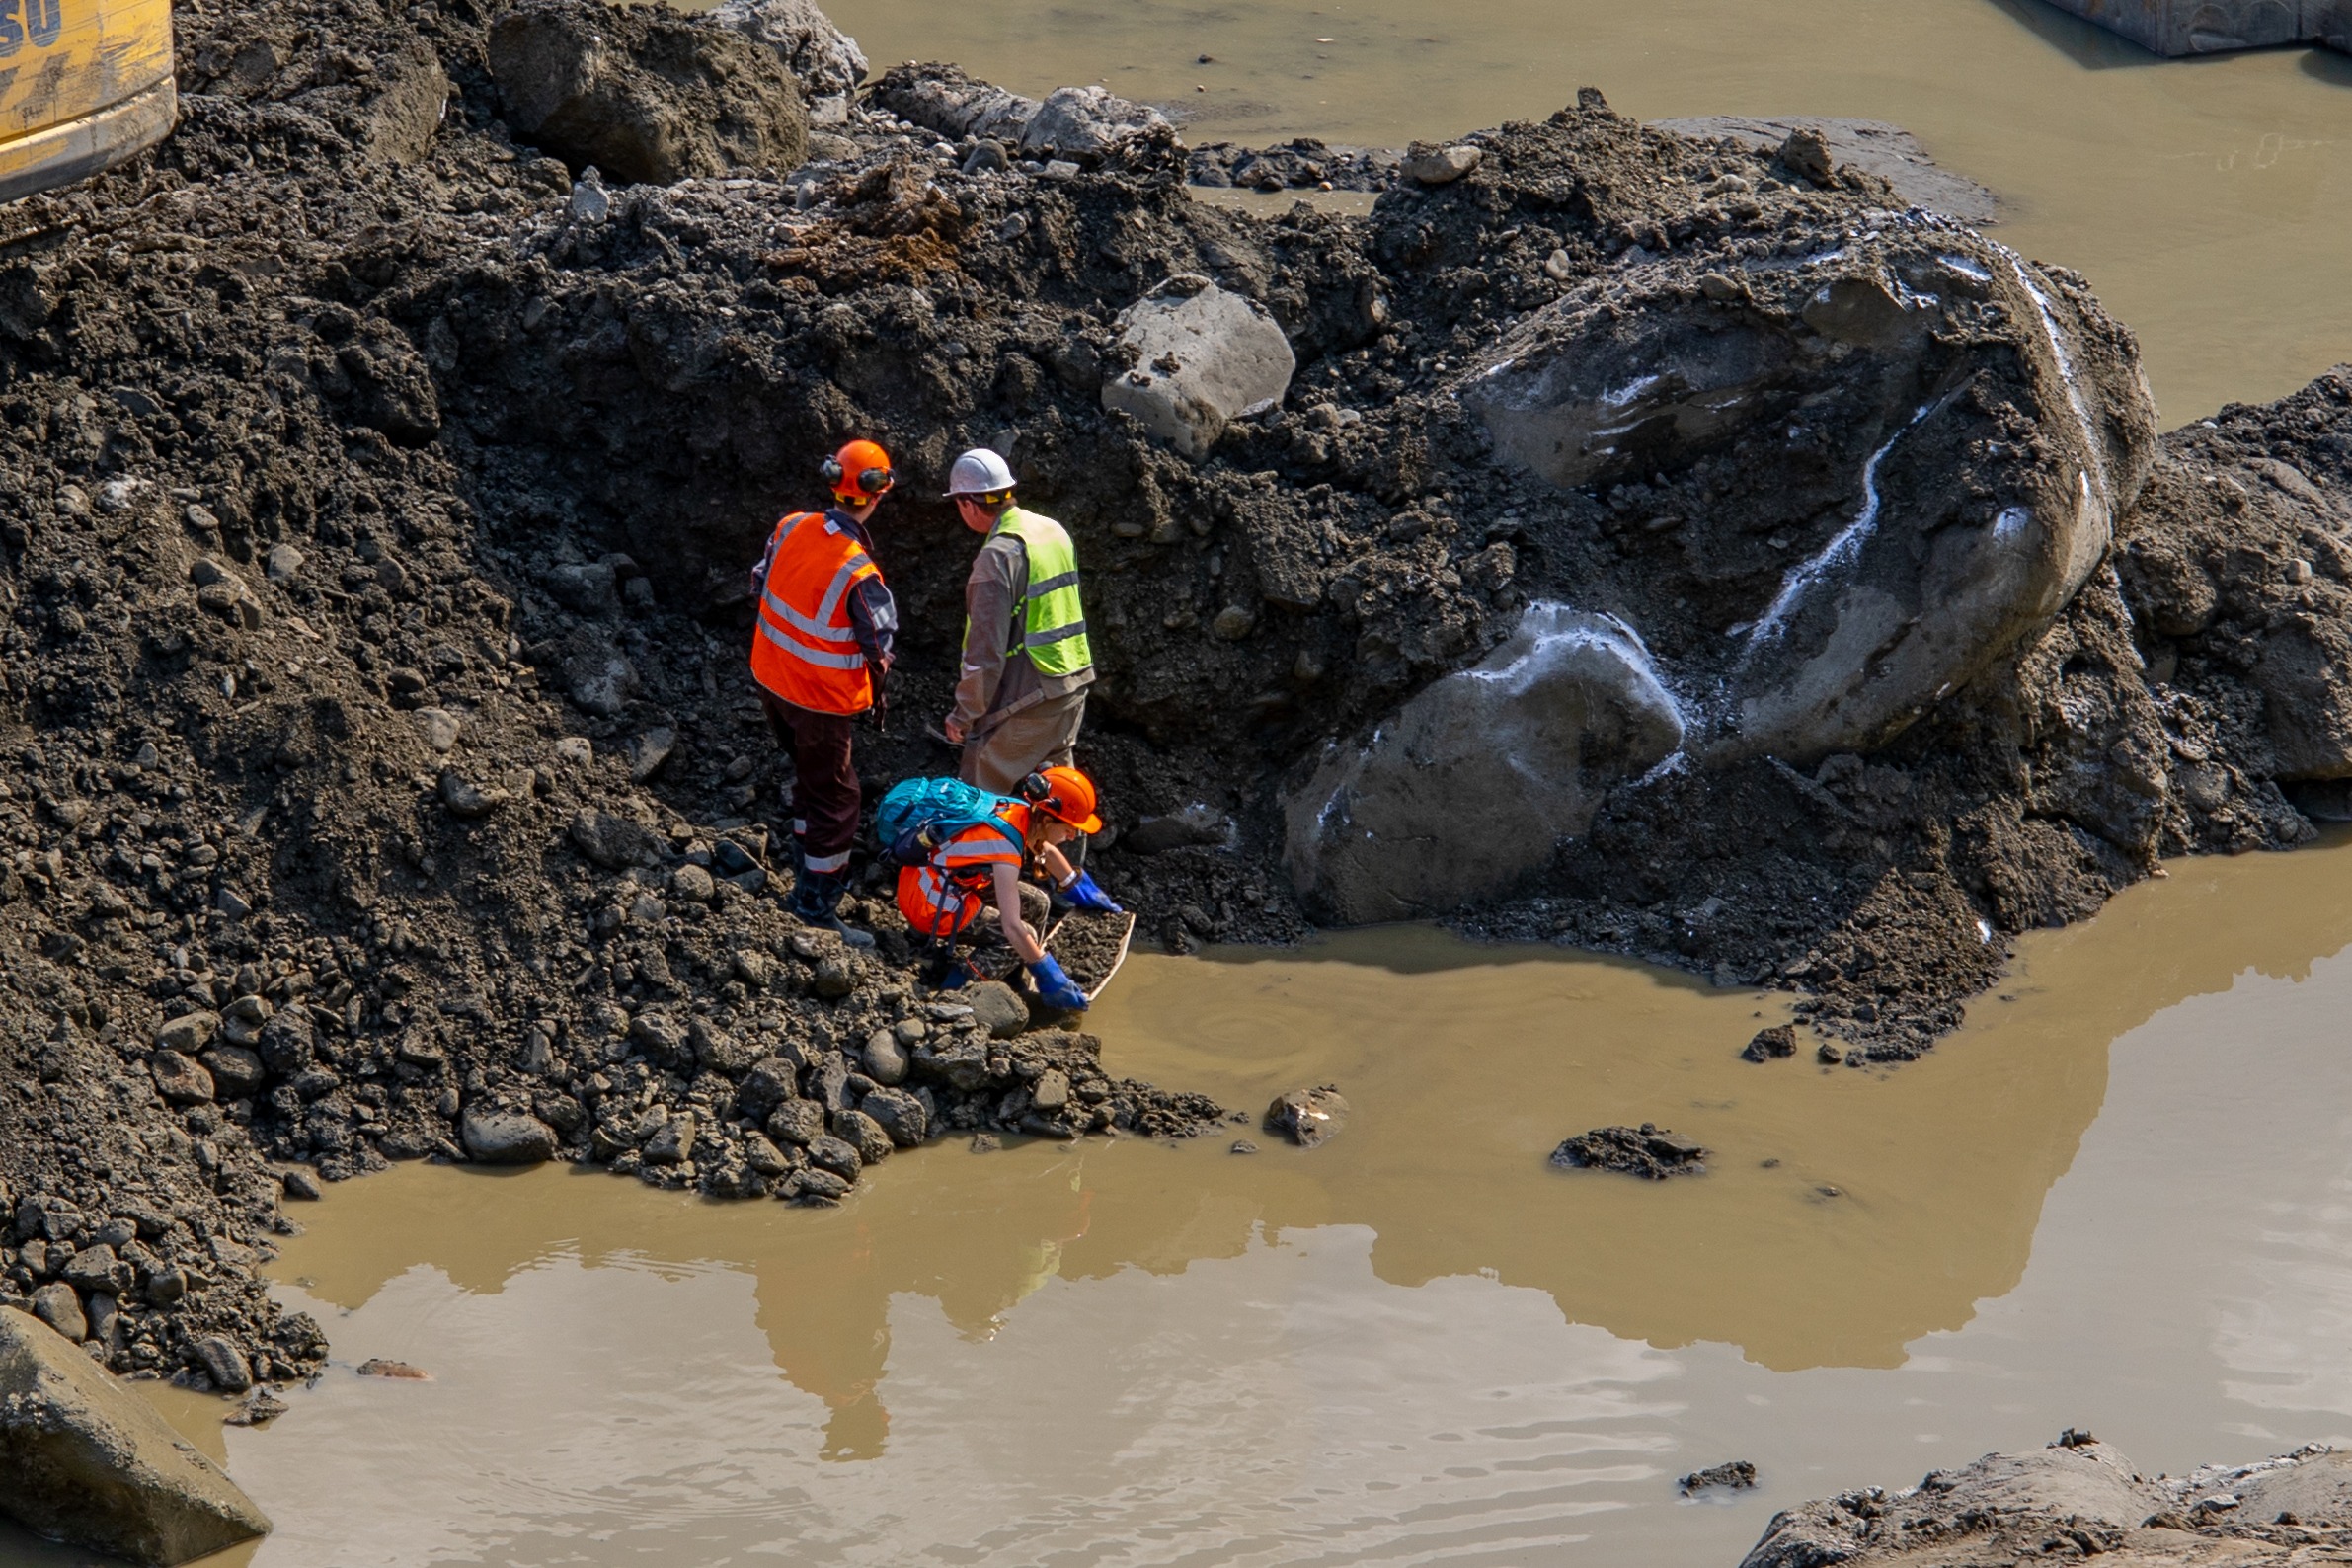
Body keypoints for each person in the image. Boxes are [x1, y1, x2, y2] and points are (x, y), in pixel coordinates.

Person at [748, 438, 900, 948]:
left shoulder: (791, 526)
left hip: (773, 681)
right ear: (879, 493)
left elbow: (760, 583)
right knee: (837, 798)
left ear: (834, 481)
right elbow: (878, 646)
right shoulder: (860, 571)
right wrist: (876, 696)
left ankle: (803, 859)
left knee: (808, 778)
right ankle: (814, 905)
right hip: (819, 702)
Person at [895, 765, 1123, 1010]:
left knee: (1038, 903)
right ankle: (953, 993)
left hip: (943, 878)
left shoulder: (1020, 812)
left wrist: (1076, 885)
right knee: (1015, 938)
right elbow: (1012, 927)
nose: (1073, 836)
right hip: (928, 901)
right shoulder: (1006, 847)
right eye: (1070, 829)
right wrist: (1046, 971)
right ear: (1047, 819)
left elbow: (1043, 848)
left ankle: (1011, 975)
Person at [940, 448, 1096, 795]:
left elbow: (985, 655)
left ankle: (988, 851)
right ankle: (1056, 850)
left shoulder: (997, 559)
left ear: (966, 502)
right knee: (1058, 797)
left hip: (1033, 696)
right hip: (1071, 684)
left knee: (980, 791)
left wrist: (963, 715)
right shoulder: (1050, 530)